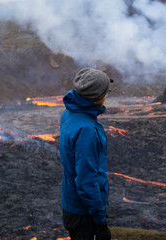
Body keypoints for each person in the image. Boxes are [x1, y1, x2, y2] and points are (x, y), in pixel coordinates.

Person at [59, 68, 113, 240]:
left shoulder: (69, 113)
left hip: (71, 203)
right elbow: (86, 180)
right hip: (84, 213)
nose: (107, 95)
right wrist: (100, 221)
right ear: (98, 96)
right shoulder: (87, 130)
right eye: (106, 91)